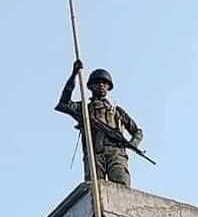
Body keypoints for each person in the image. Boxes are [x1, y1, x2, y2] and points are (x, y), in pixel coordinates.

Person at [55, 59, 143, 187]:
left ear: (108, 87)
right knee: (95, 188)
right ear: (90, 86)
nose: (101, 85)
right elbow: (63, 103)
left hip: (116, 153)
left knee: (122, 186)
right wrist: (74, 74)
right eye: (97, 82)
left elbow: (137, 131)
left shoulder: (117, 112)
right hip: (94, 152)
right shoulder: (84, 109)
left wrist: (132, 143)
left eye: (104, 83)